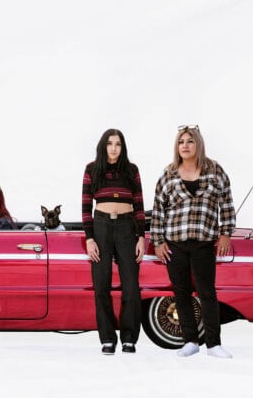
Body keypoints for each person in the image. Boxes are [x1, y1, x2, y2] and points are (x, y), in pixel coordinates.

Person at [151, 124, 235, 359]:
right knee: (181, 293)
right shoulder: (168, 173)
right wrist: (158, 241)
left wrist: (226, 232)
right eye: (181, 142)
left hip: (204, 242)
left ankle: (213, 344)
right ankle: (190, 341)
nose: (185, 146)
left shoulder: (215, 170)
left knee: (207, 293)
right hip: (175, 242)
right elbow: (159, 210)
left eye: (190, 141)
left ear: (198, 144)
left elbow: (226, 202)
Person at [81, 129, 146, 355]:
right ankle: (107, 339)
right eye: (110, 144)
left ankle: (129, 339)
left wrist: (141, 237)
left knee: (131, 286)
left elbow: (139, 205)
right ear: (103, 146)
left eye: (118, 144)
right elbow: (85, 206)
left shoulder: (131, 170)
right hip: (101, 227)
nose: (114, 148)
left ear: (123, 146)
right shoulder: (92, 169)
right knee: (101, 286)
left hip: (127, 227)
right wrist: (89, 238)